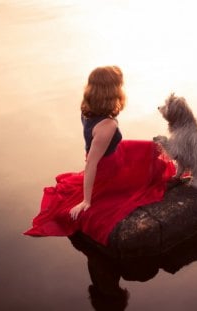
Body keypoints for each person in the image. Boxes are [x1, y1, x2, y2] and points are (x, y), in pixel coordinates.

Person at [24, 66, 176, 245]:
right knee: (150, 175)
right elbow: (91, 164)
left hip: (115, 152)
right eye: (119, 86)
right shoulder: (107, 126)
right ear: (111, 91)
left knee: (153, 148)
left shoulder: (87, 108)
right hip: (110, 169)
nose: (122, 88)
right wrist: (86, 201)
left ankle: (182, 161)